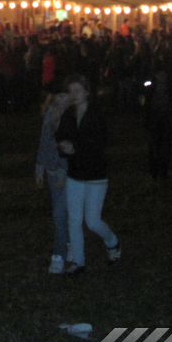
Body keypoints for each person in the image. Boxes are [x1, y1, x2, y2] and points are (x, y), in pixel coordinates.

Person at [54, 74, 120, 275]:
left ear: (86, 91)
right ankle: (79, 261)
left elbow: (98, 142)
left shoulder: (97, 114)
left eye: (78, 90)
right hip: (75, 173)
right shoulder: (69, 115)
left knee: (92, 221)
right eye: (71, 91)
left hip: (95, 174)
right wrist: (63, 146)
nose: (74, 94)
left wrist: (75, 147)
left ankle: (112, 241)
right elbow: (61, 136)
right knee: (74, 220)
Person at [35, 90, 70, 274]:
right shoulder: (50, 113)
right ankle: (68, 244)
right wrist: (40, 166)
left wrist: (63, 171)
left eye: (63, 95)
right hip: (51, 170)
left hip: (68, 172)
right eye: (58, 95)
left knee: (59, 213)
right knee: (60, 211)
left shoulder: (73, 115)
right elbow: (44, 141)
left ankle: (59, 254)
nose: (60, 99)